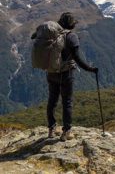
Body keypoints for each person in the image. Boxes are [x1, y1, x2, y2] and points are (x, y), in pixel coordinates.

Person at [34, 12, 98, 141]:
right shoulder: (71, 36)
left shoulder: (51, 34)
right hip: (66, 74)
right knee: (66, 102)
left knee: (52, 100)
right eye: (74, 22)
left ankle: (51, 129)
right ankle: (66, 132)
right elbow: (77, 58)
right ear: (71, 24)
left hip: (51, 72)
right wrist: (90, 69)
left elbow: (34, 36)